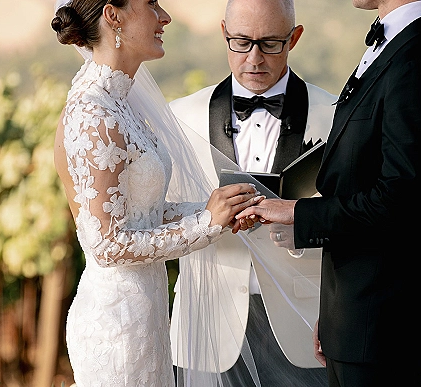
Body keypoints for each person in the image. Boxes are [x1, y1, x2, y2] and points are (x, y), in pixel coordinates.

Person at [236, 0, 421, 385]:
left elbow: (399, 204)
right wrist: (335, 312)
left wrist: (297, 212)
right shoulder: (395, 48)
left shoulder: (419, 61)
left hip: (385, 334)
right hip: (358, 324)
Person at [51, 0, 264, 385]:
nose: (164, 16)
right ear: (113, 15)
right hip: (116, 328)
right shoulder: (92, 114)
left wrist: (217, 209)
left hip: (145, 317)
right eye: (150, 3)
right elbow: (108, 245)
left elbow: (141, 215)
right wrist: (205, 224)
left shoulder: (120, 104)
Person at [168, 0, 335, 385]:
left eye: (270, 43)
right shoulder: (178, 117)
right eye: (241, 42)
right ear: (224, 32)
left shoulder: (335, 114)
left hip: (303, 325)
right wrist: (208, 218)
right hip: (207, 327)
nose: (254, 58)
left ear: (295, 37)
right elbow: (160, 213)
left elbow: (352, 217)